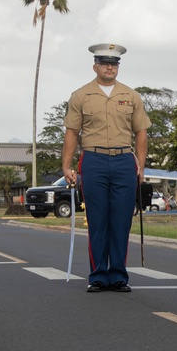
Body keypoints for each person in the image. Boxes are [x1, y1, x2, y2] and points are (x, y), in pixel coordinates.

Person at [61, 43, 150, 293]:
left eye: (114, 64)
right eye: (104, 64)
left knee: (122, 220)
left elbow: (141, 133)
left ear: (118, 68)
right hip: (94, 159)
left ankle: (118, 275)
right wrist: (66, 165)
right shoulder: (80, 95)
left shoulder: (131, 96)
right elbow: (72, 132)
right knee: (97, 220)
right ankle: (99, 275)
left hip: (124, 161)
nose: (110, 67)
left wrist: (140, 166)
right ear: (95, 66)